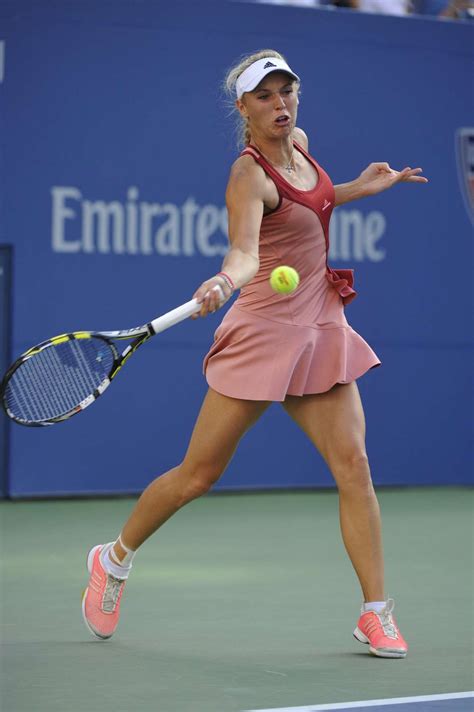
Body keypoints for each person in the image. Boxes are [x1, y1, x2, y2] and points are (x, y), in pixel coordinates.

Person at [82, 49, 428, 658]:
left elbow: (311, 203)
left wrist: (357, 188)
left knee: (355, 465)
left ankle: (376, 611)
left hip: (321, 325)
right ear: (242, 108)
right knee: (198, 475)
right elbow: (244, 251)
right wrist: (224, 280)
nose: (280, 104)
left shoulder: (301, 146)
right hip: (265, 331)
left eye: (287, 91)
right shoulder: (248, 174)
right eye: (265, 96)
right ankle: (113, 560)